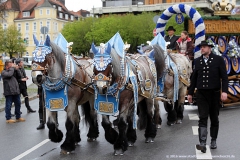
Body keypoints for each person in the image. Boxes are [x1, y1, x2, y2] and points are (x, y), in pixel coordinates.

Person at [187, 40, 228, 153]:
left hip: (214, 93)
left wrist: (224, 91)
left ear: (210, 48)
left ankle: (213, 140)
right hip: (201, 94)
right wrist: (190, 93)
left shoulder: (219, 60)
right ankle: (203, 143)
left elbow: (224, 77)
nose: (202, 49)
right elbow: (194, 78)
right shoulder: (197, 61)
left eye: (204, 47)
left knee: (214, 118)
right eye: (201, 47)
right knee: (203, 117)